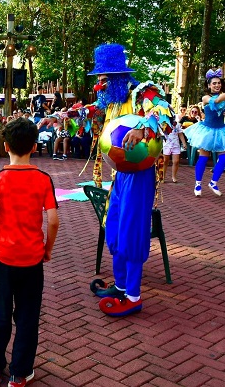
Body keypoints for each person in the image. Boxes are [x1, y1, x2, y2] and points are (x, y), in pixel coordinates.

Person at [87, 44, 174, 317]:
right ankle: (122, 285)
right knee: (114, 228)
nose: (100, 85)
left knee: (132, 232)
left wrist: (143, 127)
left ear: (118, 76)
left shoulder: (143, 93)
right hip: (120, 175)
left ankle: (133, 296)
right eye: (98, 79)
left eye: (103, 79)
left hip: (140, 175)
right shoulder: (112, 101)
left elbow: (167, 115)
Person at [0, 117, 58, 387]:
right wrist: (47, 249)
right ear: (34, 147)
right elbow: (53, 220)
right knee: (27, 316)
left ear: (5, 146)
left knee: (0, 312)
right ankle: (20, 371)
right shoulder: (43, 179)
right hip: (32, 258)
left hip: (4, 256)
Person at [183, 68, 225, 196]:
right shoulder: (206, 97)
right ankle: (198, 184)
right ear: (209, 85)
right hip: (207, 131)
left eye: (218, 83)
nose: (217, 85)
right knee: (203, 157)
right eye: (214, 83)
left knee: (223, 158)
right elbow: (216, 101)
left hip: (222, 131)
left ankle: (213, 182)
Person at [162, 118, 187, 183]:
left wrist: (184, 143)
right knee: (165, 161)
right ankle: (163, 176)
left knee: (176, 161)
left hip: (175, 145)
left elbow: (180, 134)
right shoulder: (163, 124)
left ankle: (174, 176)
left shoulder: (177, 124)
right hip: (166, 145)